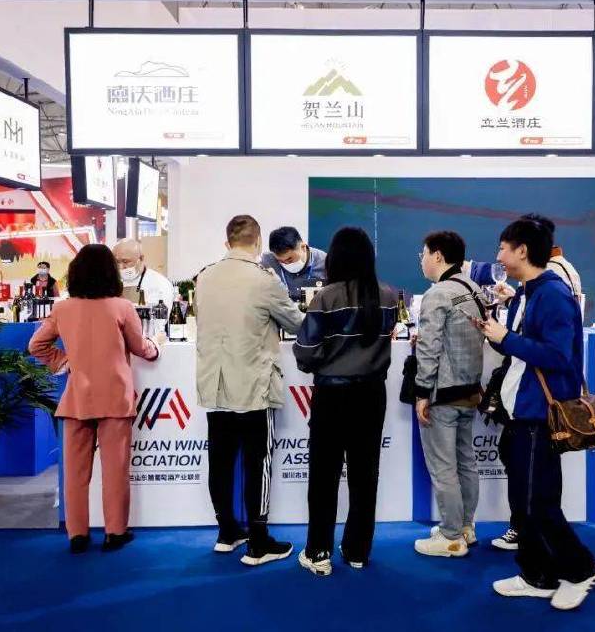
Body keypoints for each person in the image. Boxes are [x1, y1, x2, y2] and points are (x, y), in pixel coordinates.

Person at [476, 218, 595, 611]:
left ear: (522, 250)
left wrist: (506, 337)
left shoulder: (552, 294)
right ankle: (538, 574)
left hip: (538, 414)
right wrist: (498, 334)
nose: (498, 256)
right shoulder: (527, 293)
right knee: (527, 500)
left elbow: (558, 356)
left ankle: (581, 569)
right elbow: (520, 349)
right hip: (521, 412)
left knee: (538, 503)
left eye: (503, 248)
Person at [28, 244, 162, 554]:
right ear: (111, 273)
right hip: (115, 398)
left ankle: (77, 535)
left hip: (77, 398)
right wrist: (156, 346)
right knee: (115, 471)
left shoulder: (62, 309)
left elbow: (36, 345)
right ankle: (115, 533)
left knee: (75, 474)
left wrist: (63, 361)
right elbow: (140, 348)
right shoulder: (122, 307)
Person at [195, 215, 304, 565]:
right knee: (258, 463)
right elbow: (297, 322)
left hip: (215, 384)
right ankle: (258, 541)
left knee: (220, 460)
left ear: (227, 242)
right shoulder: (264, 280)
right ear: (257, 242)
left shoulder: (204, 277)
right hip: (253, 384)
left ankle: (227, 532)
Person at [293, 227, 399, 576]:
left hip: (333, 396)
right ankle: (357, 550)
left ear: (335, 258)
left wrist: (325, 359)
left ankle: (318, 551)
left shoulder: (326, 298)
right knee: (365, 474)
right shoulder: (388, 296)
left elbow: (306, 352)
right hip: (372, 394)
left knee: (324, 476)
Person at [412, 231, 485, 558]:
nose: (422, 260)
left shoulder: (437, 294)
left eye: (424, 254)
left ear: (438, 256)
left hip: (442, 392)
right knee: (465, 461)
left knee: (444, 467)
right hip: (470, 390)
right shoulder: (473, 289)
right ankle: (466, 527)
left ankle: (451, 536)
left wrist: (421, 392)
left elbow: (429, 349)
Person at [261, 226, 327, 301]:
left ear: (303, 247)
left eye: (289, 259)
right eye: (281, 261)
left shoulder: (324, 262)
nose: (286, 263)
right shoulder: (267, 261)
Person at [112, 238, 175, 306]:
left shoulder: (160, 283)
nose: (120, 267)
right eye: (117, 262)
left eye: (125, 262)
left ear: (141, 258)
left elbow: (162, 311)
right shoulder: (111, 282)